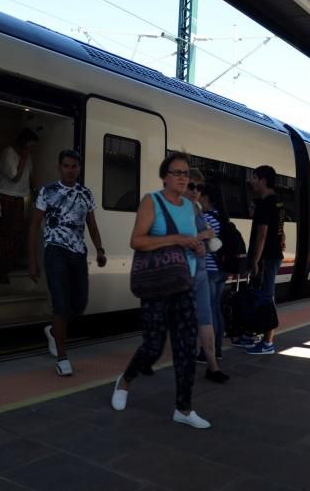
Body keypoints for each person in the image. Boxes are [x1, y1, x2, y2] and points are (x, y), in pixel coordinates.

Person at [111, 152, 211, 429]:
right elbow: (137, 241)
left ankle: (184, 408)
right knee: (153, 346)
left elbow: (192, 243)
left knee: (185, 347)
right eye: (177, 172)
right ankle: (126, 380)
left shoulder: (191, 208)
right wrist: (177, 240)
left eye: (186, 174)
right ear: (164, 176)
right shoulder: (151, 201)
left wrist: (197, 247)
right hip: (156, 285)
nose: (183, 178)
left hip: (184, 284)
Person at [28, 150, 105, 377]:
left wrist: (99, 249)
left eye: (74, 166)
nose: (70, 170)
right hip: (54, 252)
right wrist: (33, 260)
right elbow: (34, 227)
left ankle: (53, 331)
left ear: (79, 169)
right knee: (60, 304)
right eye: (66, 166)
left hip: (78, 254)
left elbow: (92, 225)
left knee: (80, 304)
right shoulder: (47, 191)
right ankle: (62, 357)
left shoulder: (85, 193)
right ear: (59, 167)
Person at [186, 169, 229, 383]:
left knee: (206, 320)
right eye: (191, 186)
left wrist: (206, 244)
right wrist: (202, 237)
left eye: (199, 187)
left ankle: (213, 366)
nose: (196, 191)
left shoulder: (198, 211)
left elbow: (200, 243)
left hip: (201, 272)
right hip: (184, 274)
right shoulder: (177, 210)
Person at [238, 165, 284, 355]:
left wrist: (255, 260)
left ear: (263, 180)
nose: (252, 181)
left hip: (265, 259)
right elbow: (281, 231)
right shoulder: (278, 202)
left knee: (265, 298)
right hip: (271, 256)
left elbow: (262, 235)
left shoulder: (265, 204)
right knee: (259, 295)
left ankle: (267, 343)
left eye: (254, 178)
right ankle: (250, 334)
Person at [0, 129, 38, 284]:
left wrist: (36, 193)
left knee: (16, 233)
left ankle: (7, 265)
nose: (31, 150)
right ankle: (1, 269)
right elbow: (15, 177)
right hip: (4, 195)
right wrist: (24, 158)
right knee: (4, 234)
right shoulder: (8, 153)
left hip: (18, 197)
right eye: (30, 146)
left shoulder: (28, 156)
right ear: (23, 144)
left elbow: (29, 177)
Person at [199, 183, 233, 370]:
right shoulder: (222, 218)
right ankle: (217, 349)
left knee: (209, 312)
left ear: (206, 198)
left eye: (201, 196)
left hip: (210, 269)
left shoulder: (206, 219)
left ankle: (209, 351)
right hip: (222, 269)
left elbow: (202, 246)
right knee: (217, 309)